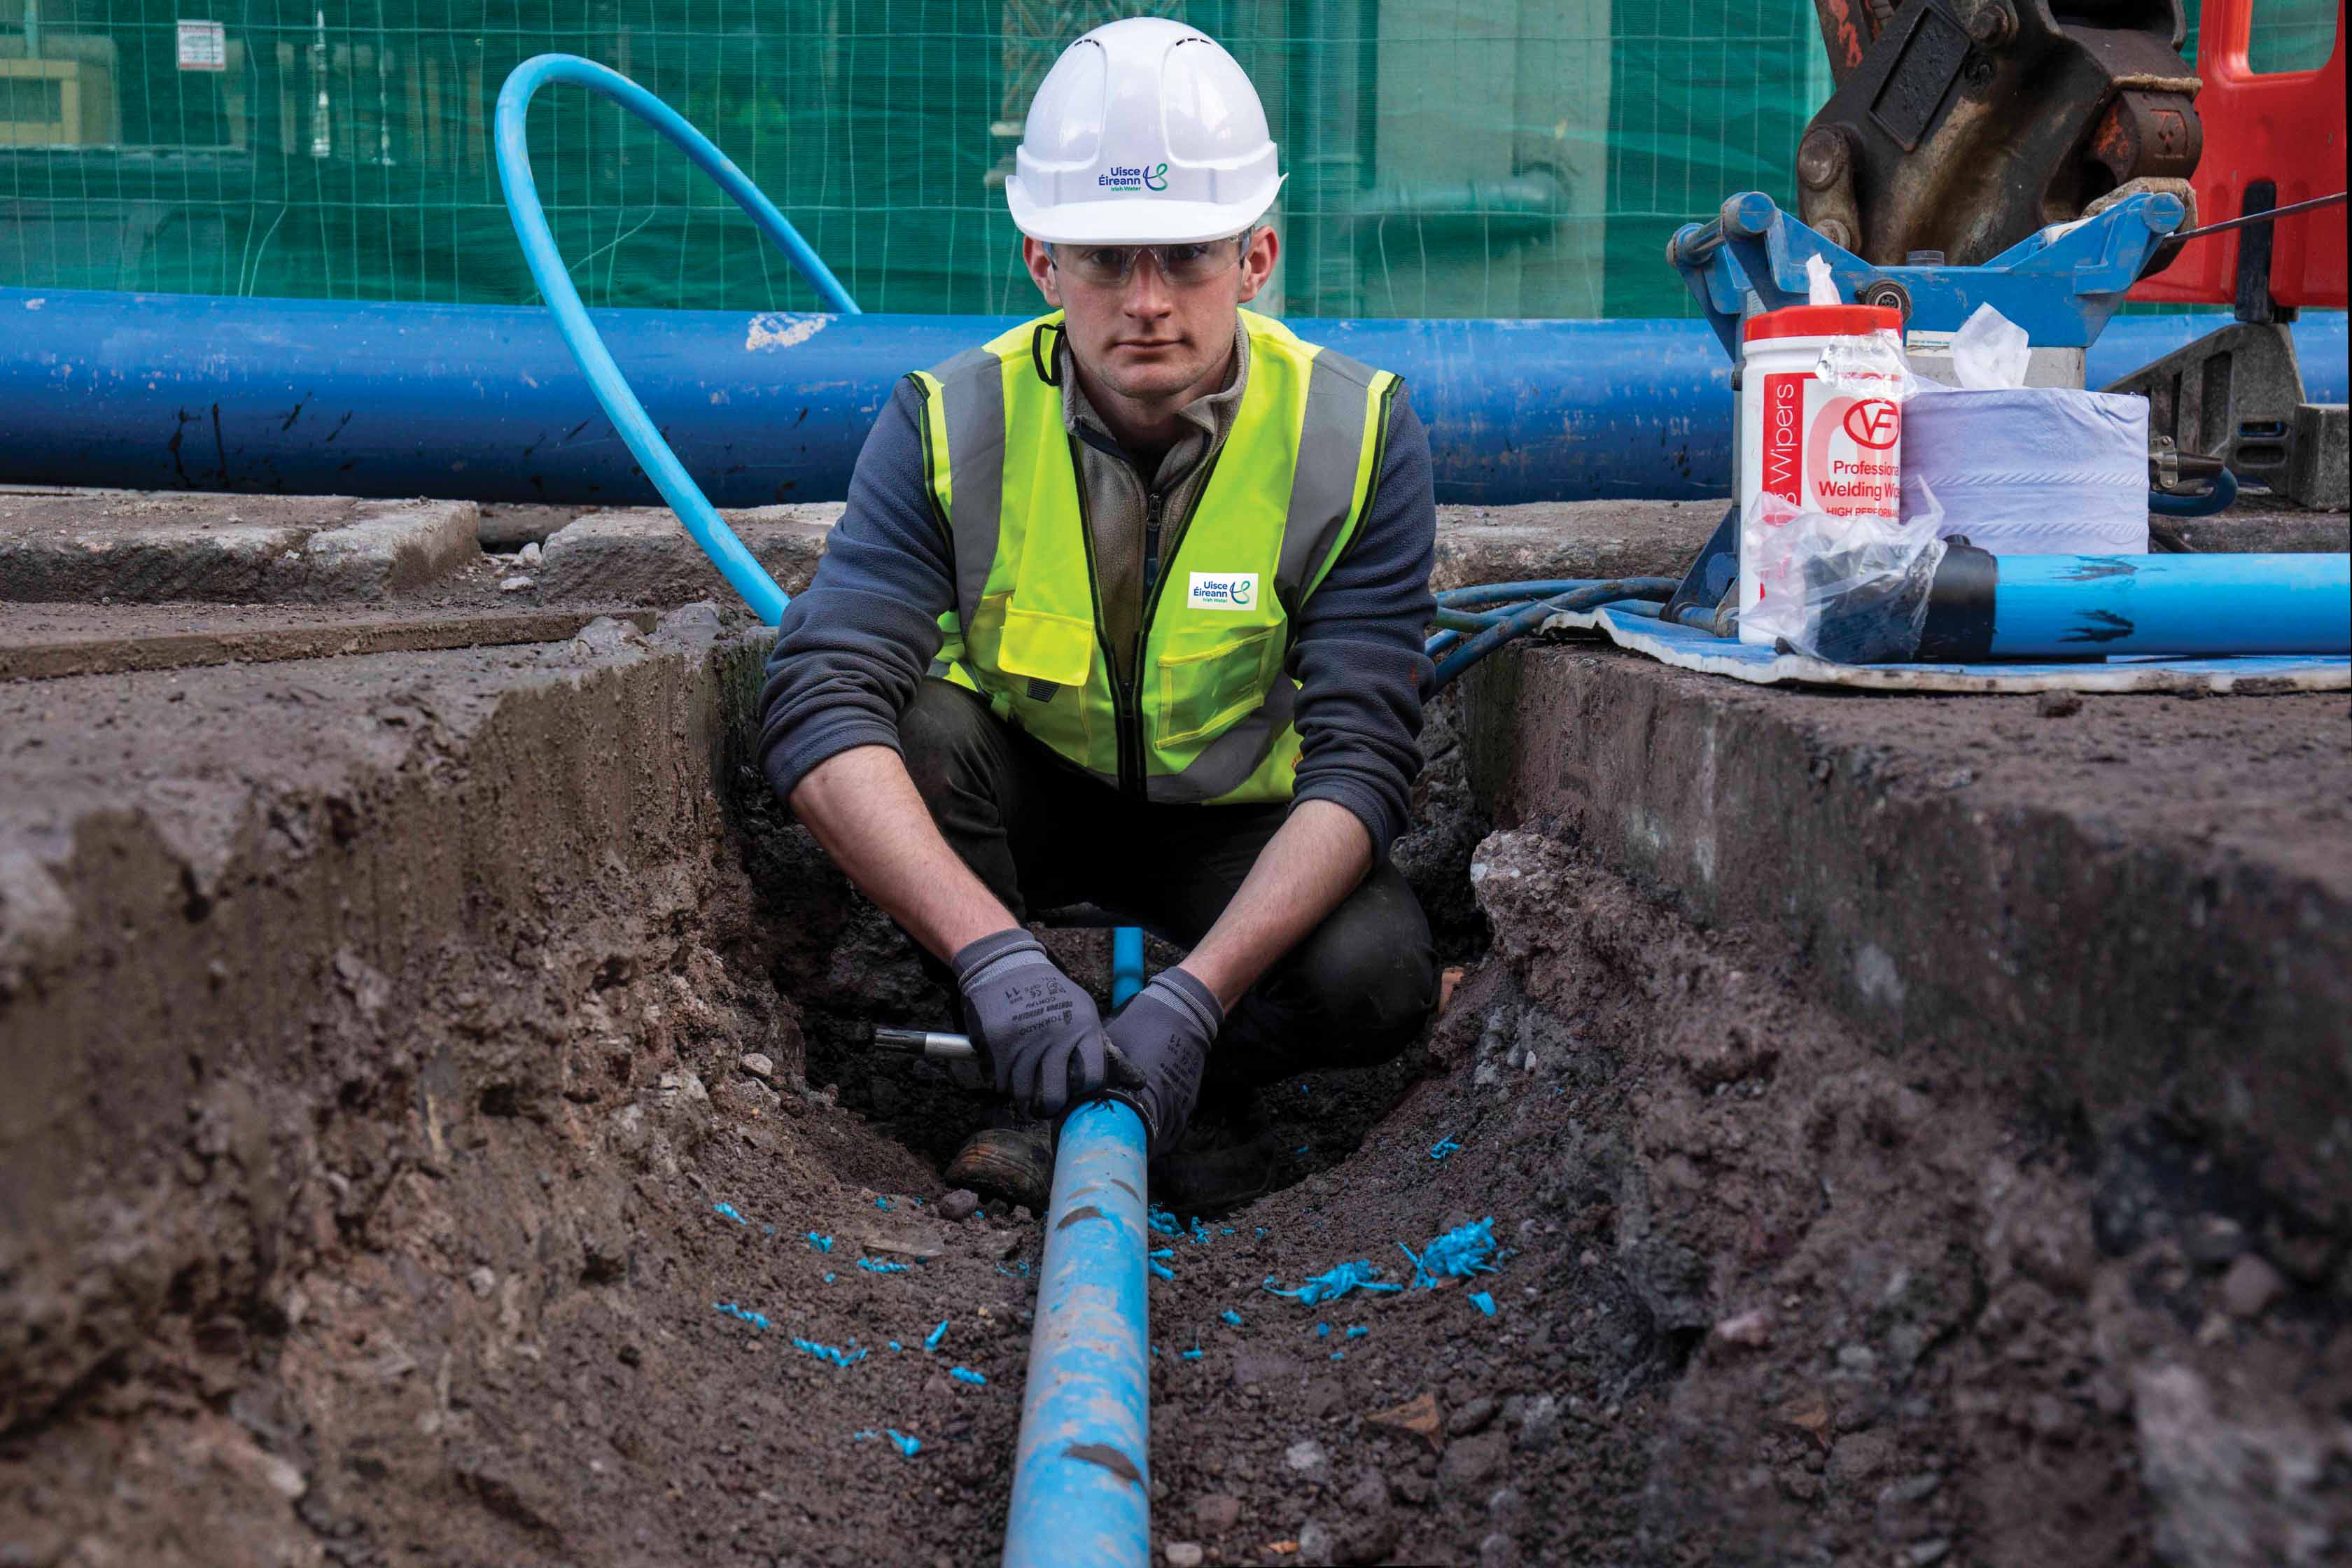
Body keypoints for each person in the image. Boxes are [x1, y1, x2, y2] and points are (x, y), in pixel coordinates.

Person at [755, 16, 1438, 1212]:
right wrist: (994, 957)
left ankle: (1191, 1078)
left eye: (1186, 256)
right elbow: (815, 705)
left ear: (1259, 255)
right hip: (1027, 794)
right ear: (1041, 264)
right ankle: (1016, 1067)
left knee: (1378, 976)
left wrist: (1199, 995)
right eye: (1105, 259)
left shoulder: (1357, 435)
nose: (1147, 302)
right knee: (910, 736)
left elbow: (1364, 764)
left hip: (1233, 817)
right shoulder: (947, 422)